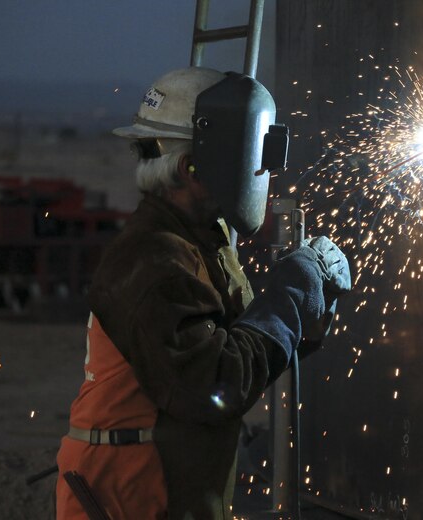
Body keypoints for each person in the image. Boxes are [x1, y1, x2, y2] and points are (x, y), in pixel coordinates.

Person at [55, 67, 350, 520]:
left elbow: (244, 349)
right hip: (128, 494)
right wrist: (292, 293)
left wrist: (310, 307)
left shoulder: (200, 240)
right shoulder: (154, 258)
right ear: (194, 166)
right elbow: (215, 384)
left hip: (163, 486)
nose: (258, 170)